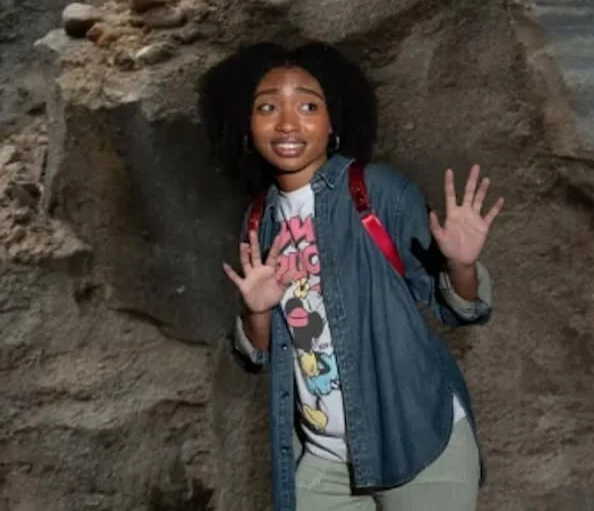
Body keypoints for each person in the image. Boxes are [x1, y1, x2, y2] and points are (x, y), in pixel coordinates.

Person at [198, 41, 503, 511]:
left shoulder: (375, 191)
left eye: (307, 105)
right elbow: (256, 354)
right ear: (246, 123)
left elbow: (460, 309)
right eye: (267, 107)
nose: (286, 123)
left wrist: (461, 264)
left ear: (333, 119)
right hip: (323, 459)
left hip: (415, 441)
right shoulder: (260, 221)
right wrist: (256, 311)